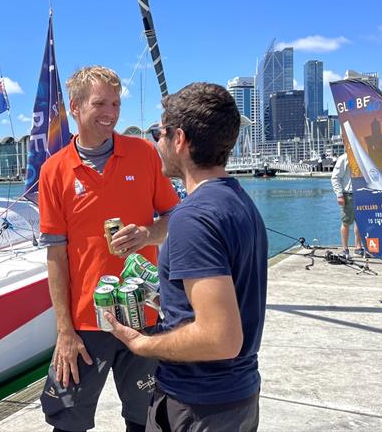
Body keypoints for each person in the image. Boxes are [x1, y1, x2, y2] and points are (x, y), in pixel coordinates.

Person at [106, 82, 267, 432]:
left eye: (158, 133)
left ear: (179, 139)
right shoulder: (239, 203)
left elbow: (220, 337)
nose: (156, 143)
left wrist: (144, 343)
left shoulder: (191, 217)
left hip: (199, 405)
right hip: (235, 398)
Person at [37, 66, 179, 432]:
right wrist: (64, 332)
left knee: (148, 419)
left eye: (116, 103)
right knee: (67, 420)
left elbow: (175, 218)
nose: (111, 112)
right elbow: (56, 257)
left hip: (144, 314)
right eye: (100, 103)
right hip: (86, 324)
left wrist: (148, 234)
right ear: (76, 107)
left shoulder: (145, 154)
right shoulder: (54, 171)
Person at [331, 153, 366, 258]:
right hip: (348, 194)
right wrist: (339, 194)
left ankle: (358, 247)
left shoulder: (364, 155)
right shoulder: (344, 158)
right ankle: (345, 249)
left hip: (363, 193)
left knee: (360, 222)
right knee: (346, 222)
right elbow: (335, 177)